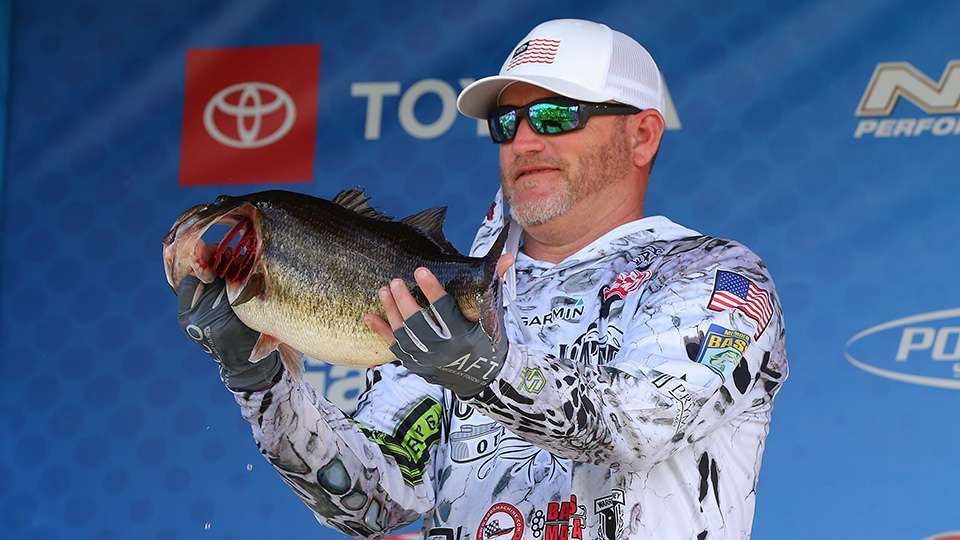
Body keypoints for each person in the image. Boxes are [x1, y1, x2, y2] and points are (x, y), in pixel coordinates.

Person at [177, 19, 788, 540]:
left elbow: (630, 427)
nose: (524, 139)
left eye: (554, 114)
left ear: (642, 135)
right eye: (507, 122)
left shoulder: (712, 279)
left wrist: (484, 370)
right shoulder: (446, 294)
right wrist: (260, 380)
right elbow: (367, 500)